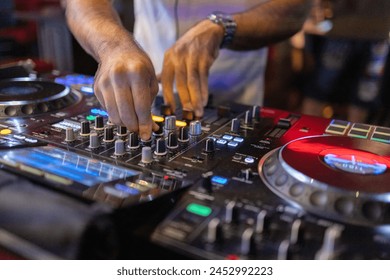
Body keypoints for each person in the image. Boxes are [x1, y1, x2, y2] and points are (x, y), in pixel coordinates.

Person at [61, 0, 311, 140]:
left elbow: (296, 9)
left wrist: (224, 27)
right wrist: (113, 47)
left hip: (236, 99)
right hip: (145, 92)